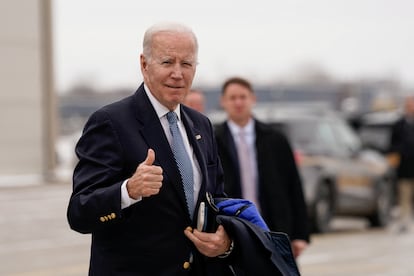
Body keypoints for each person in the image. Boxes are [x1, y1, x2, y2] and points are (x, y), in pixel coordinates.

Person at [66, 22, 234, 275]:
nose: (178, 73)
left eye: (187, 64)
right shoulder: (110, 122)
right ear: (144, 64)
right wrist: (128, 190)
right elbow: (79, 212)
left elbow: (217, 199)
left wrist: (225, 240)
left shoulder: (201, 125)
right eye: (167, 62)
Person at [214, 77, 310, 258]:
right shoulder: (213, 140)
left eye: (243, 97)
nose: (238, 102)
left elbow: (294, 185)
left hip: (273, 226)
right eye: (232, 98)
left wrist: (300, 234)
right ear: (223, 101)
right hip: (231, 228)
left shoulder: (275, 138)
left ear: (253, 99)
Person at [389, 95, 414, 233]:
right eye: (409, 104)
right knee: (404, 196)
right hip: (404, 167)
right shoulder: (399, 124)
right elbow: (392, 145)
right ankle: (405, 222)